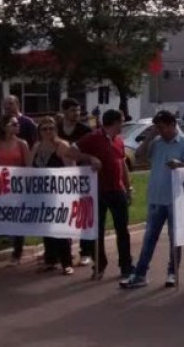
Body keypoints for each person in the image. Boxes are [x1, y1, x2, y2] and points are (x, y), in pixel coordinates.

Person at [121, 110, 184, 289]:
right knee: (149, 238)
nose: (160, 131)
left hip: (175, 199)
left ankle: (172, 272)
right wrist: (149, 137)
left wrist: (181, 166)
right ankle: (140, 274)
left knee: (174, 238)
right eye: (157, 128)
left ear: (172, 125)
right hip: (156, 197)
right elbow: (139, 156)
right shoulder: (156, 142)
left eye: (162, 127)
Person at [74, 109, 132, 280]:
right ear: (114, 122)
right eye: (121, 121)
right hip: (98, 191)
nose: (123, 124)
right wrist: (90, 158)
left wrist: (128, 188)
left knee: (122, 230)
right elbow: (70, 151)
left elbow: (122, 165)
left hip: (117, 189)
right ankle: (99, 263)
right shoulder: (93, 137)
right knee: (97, 230)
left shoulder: (119, 141)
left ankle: (126, 264)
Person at [30, 117, 76, 275]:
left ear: (55, 129)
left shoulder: (61, 145)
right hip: (42, 192)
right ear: (39, 131)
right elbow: (29, 168)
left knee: (60, 228)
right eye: (44, 129)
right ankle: (50, 260)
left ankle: (67, 262)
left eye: (51, 128)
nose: (48, 132)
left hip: (59, 192)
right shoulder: (36, 146)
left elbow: (71, 168)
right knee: (46, 227)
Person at [57, 98, 94, 266]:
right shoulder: (56, 129)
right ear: (64, 111)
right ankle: (63, 250)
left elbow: (90, 153)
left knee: (83, 213)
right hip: (59, 178)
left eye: (78, 110)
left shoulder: (85, 130)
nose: (77, 114)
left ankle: (86, 251)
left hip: (81, 177)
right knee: (63, 214)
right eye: (73, 110)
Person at [0, 114, 31, 265]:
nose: (17, 126)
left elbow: (28, 166)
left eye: (17, 124)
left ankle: (17, 253)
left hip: (17, 186)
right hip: (0, 186)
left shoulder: (22, 143)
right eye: (14, 124)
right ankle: (11, 241)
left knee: (18, 219)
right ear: (4, 126)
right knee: (6, 217)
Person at [1, 95, 37, 262]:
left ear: (18, 105)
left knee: (22, 214)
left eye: (11, 103)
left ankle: (18, 250)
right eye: (5, 104)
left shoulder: (28, 123)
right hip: (3, 181)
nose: (8, 106)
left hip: (21, 178)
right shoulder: (1, 125)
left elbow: (34, 148)